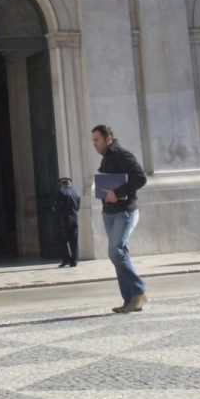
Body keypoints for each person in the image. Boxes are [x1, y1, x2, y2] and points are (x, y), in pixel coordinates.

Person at [90, 124, 147, 313]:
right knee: (119, 255)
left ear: (108, 138)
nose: (94, 144)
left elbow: (140, 178)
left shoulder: (123, 155)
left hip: (125, 212)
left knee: (116, 252)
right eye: (93, 140)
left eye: (97, 140)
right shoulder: (106, 158)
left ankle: (139, 291)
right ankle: (129, 300)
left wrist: (118, 192)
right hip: (109, 213)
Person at [51, 176, 81, 268]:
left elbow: (57, 206)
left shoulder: (61, 192)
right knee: (74, 240)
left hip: (64, 219)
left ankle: (66, 259)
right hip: (74, 218)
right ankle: (74, 260)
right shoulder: (75, 193)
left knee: (62, 240)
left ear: (62, 184)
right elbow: (78, 207)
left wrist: (54, 209)